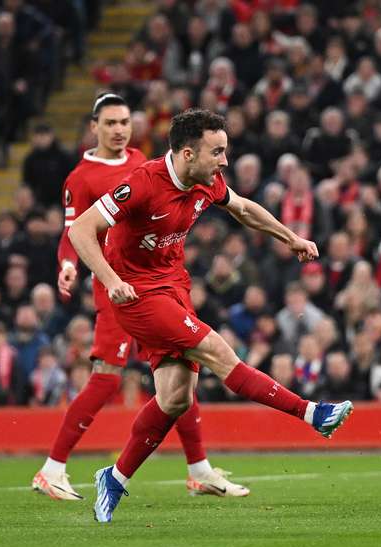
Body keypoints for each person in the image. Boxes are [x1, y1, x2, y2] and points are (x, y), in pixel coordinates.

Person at [68, 108, 353, 522]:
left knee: (175, 397)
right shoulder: (143, 184)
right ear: (187, 154)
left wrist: (290, 237)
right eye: (217, 152)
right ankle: (312, 413)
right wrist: (110, 279)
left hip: (174, 287)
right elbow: (81, 229)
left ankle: (115, 477)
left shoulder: (208, 181)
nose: (224, 161)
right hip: (137, 296)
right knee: (219, 352)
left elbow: (243, 209)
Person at [32, 94, 248, 502]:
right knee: (106, 377)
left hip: (160, 282)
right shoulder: (81, 177)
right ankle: (52, 468)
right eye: (110, 123)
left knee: (184, 370)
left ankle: (198, 468)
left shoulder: (145, 164)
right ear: (93, 127)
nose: (119, 130)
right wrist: (67, 265)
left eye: (125, 122)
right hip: (117, 285)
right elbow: (75, 229)